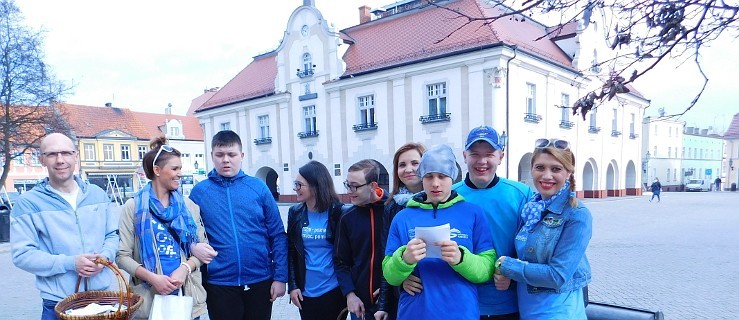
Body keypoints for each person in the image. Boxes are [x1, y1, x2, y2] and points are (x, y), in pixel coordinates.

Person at [401, 125, 533, 319]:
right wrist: (404, 276)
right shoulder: (446, 194)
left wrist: (513, 275)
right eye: (474, 154)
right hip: (456, 305)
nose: (482, 161)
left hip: (505, 303)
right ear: (464, 156)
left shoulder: (520, 194)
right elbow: (412, 238)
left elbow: (532, 248)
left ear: (501, 156)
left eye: (489, 154)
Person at [10, 133, 119, 320]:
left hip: (102, 300)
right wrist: (70, 263)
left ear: (76, 156)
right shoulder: (28, 203)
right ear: (42, 159)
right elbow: (22, 255)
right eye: (52, 154)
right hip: (58, 304)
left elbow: (112, 234)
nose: (60, 160)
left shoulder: (97, 194)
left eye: (66, 153)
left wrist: (105, 257)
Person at [382, 144, 496, 320]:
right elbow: (389, 274)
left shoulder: (473, 213)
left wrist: (461, 258)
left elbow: (487, 269)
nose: (435, 183)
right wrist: (405, 259)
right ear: (422, 178)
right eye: (429, 177)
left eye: (442, 176)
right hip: (414, 312)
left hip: (461, 313)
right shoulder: (402, 217)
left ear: (452, 177)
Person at [189, 130, 287, 320]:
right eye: (220, 155)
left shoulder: (258, 188)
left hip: (260, 280)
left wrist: (280, 277)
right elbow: (190, 234)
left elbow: (277, 235)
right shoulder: (200, 192)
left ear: (241, 156)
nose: (226, 160)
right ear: (212, 156)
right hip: (219, 283)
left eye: (231, 154)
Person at [116, 136, 217, 319]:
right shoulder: (133, 207)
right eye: (175, 168)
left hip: (186, 297)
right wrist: (152, 278)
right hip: (148, 299)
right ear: (157, 170)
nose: (180, 173)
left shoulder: (188, 206)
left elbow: (202, 250)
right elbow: (122, 257)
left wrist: (185, 268)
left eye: (180, 168)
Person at [495, 138, 592, 320]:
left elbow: (557, 275)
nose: (547, 176)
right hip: (529, 310)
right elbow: (527, 258)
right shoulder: (531, 209)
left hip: (559, 312)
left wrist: (506, 265)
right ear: (532, 169)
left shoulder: (577, 214)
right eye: (540, 168)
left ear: (569, 173)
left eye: (556, 169)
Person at [287, 161, 347, 320]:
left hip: (333, 290)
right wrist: (293, 286)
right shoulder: (295, 212)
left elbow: (347, 253)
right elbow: (291, 252)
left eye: (299, 185)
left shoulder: (338, 212)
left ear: (315, 186)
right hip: (305, 292)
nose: (295, 188)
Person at [335, 159, 391, 320]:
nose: (349, 191)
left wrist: (389, 290)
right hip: (360, 304)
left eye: (355, 186)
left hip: (390, 301)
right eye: (348, 184)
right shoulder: (347, 217)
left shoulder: (392, 209)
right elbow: (340, 261)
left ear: (373, 186)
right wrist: (350, 294)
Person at [376, 143, 425, 320]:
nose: (408, 169)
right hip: (408, 293)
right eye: (402, 165)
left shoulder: (440, 201)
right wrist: (385, 302)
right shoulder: (392, 206)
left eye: (415, 163)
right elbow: (387, 255)